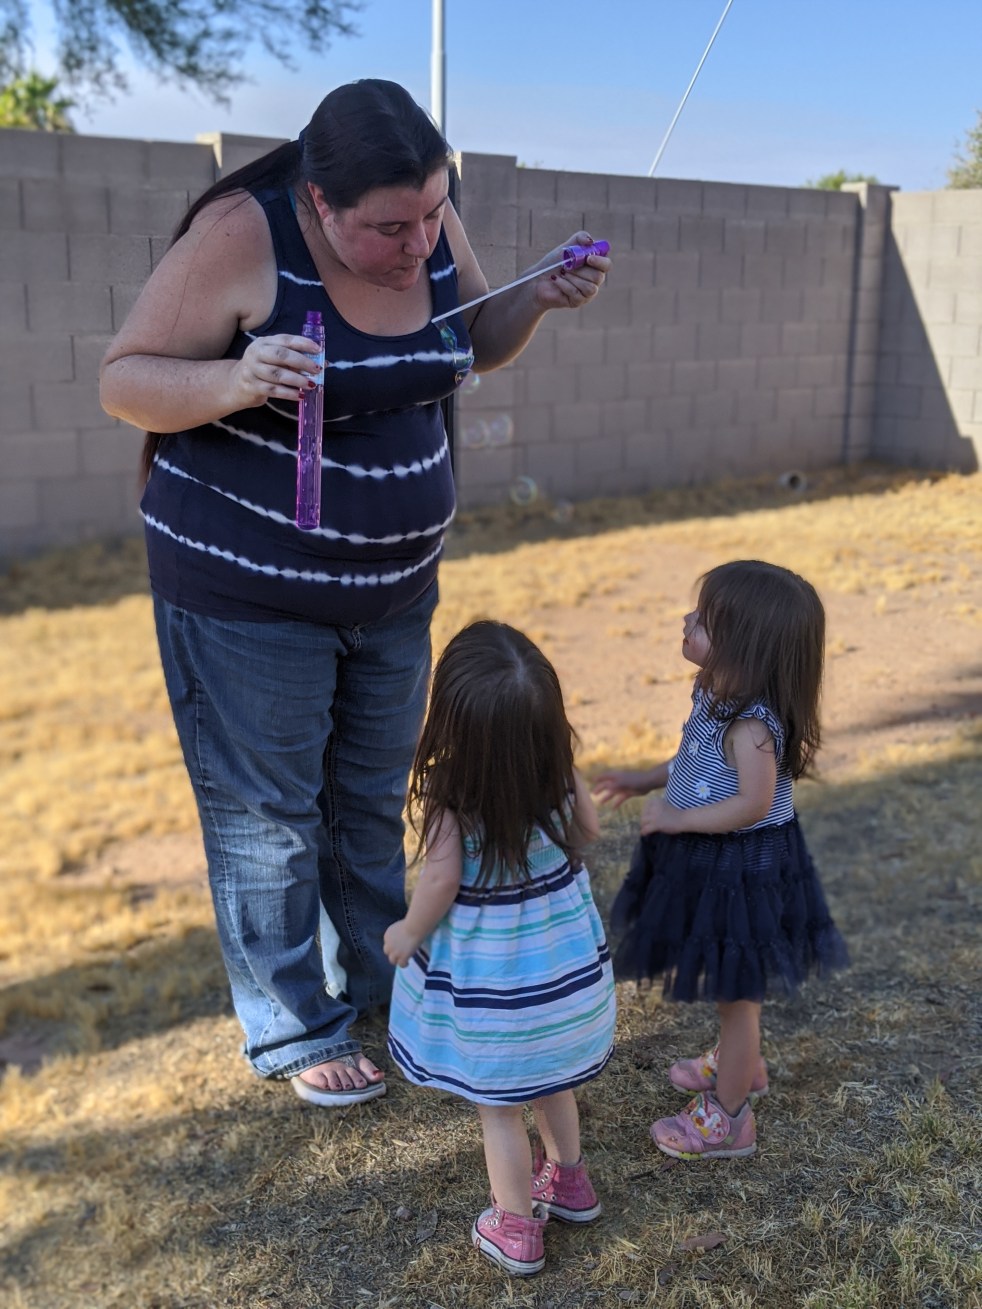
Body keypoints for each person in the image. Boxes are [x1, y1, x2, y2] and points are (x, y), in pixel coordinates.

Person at [98, 79, 610, 1107]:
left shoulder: (424, 211)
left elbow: (472, 338)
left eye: (432, 214)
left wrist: (536, 300)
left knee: (371, 802)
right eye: (390, 227)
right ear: (320, 203)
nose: (419, 240)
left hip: (392, 589)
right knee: (269, 818)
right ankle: (293, 1026)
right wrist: (238, 380)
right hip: (247, 593)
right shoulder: (244, 234)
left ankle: (385, 977)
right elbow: (126, 379)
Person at [593, 560, 848, 1160]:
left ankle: (730, 1119)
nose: (686, 621)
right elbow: (691, 760)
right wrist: (642, 779)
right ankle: (742, 1062)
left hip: (741, 869)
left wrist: (676, 818)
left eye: (703, 621)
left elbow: (753, 803)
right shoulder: (715, 695)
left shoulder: (753, 726)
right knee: (730, 984)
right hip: (714, 864)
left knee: (739, 995)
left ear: (744, 648)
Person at [383, 621, 616, 1277]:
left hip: (499, 1006)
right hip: (565, 990)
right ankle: (570, 1182)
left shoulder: (451, 799)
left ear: (450, 719)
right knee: (553, 1084)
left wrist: (407, 932)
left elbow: (439, 880)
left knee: (500, 1112)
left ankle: (515, 1228)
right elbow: (591, 829)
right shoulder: (555, 778)